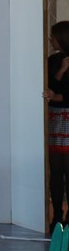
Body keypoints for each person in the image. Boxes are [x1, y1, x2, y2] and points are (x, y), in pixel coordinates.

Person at [44, 21, 69, 233]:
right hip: (54, 118)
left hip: (66, 117)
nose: (50, 39)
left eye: (53, 36)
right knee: (55, 170)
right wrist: (61, 71)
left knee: (67, 169)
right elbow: (50, 87)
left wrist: (58, 97)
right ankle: (57, 215)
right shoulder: (52, 61)